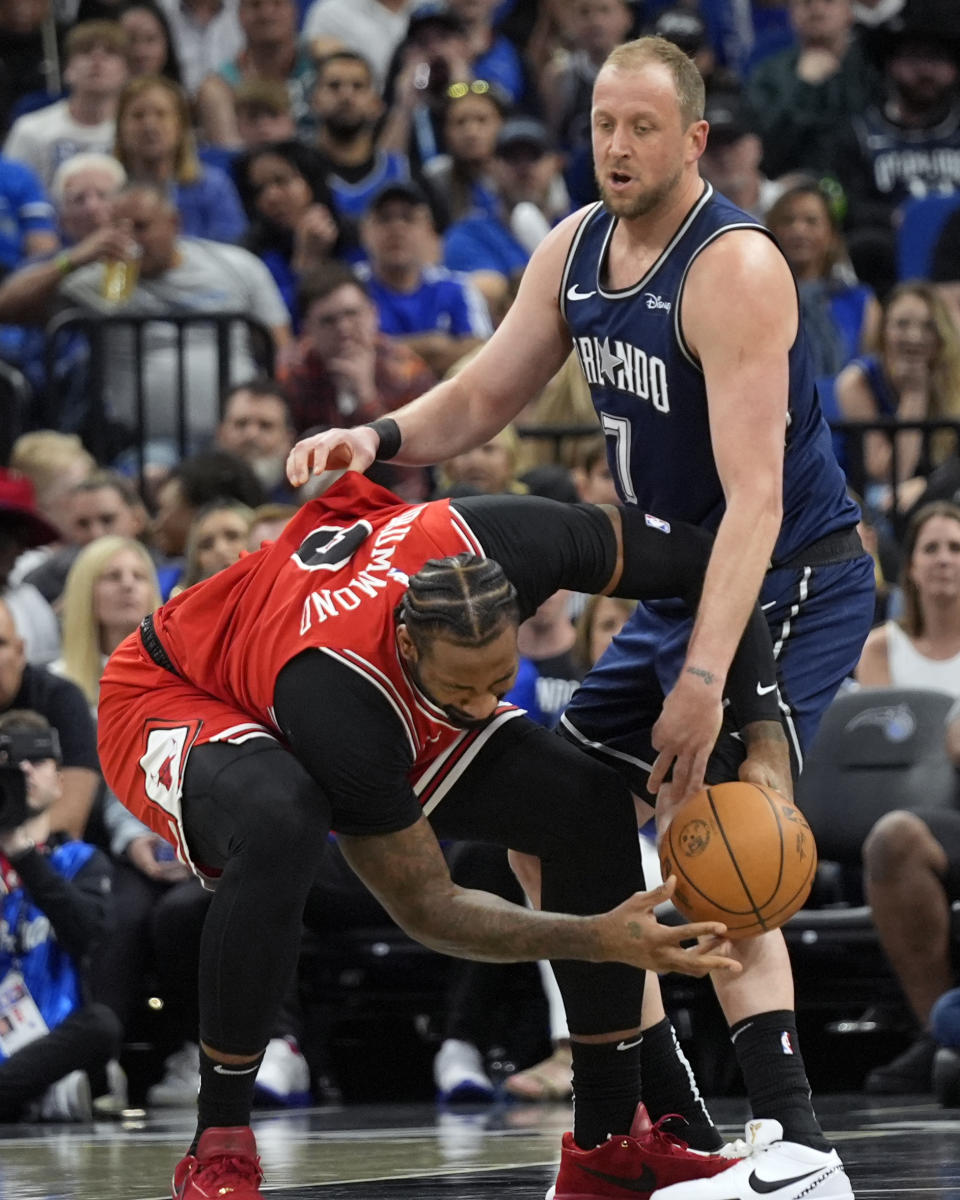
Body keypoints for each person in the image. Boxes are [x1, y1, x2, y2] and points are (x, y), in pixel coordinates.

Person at [286, 34, 876, 1200]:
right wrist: (380, 438)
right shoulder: (572, 248)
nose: (616, 144)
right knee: (553, 816)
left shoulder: (736, 267)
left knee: (731, 831)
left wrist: (707, 683)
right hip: (677, 583)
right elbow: (483, 391)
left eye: (643, 126)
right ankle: (684, 1120)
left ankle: (803, 1147)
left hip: (783, 573)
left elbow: (755, 505)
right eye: (604, 122)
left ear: (695, 138)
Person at [97, 466, 791, 1198]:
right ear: (408, 642)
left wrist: (764, 739)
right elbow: (429, 908)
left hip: (326, 656)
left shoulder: (515, 541)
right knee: (283, 817)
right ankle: (220, 1148)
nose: (484, 704)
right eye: (464, 689)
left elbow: (708, 560)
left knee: (586, 804)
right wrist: (594, 936)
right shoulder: (342, 705)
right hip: (175, 687)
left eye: (499, 680)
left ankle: (608, 1142)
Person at [857, 501, 960, 1095]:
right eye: (931, 549)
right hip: (902, 814)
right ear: (911, 567)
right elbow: (875, 755)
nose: (944, 560)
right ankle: (936, 1033)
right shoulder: (879, 649)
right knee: (892, 837)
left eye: (955, 548)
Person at [0, 709, 120, 1122]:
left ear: (60, 779)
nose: (26, 772)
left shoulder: (81, 860)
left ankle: (28, 1095)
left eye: (37, 761)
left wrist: (22, 855)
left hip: (57, 1029)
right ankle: (42, 1096)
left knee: (102, 1025)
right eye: (13, 765)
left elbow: (87, 936)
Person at [835, 281, 960, 520]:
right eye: (902, 325)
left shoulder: (954, 375)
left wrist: (927, 484)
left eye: (928, 326)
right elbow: (889, 474)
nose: (914, 337)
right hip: (879, 498)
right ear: (884, 332)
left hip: (942, 488)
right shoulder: (858, 382)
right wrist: (914, 393)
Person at [358, 180, 492, 378]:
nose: (396, 228)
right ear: (365, 232)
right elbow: (354, 357)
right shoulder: (352, 289)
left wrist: (391, 350)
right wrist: (433, 346)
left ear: (428, 230)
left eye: (408, 218)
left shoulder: (457, 287)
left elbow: (482, 354)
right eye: (384, 219)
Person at [114, 75, 247, 242]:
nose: (149, 126)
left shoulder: (212, 187)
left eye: (161, 114)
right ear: (120, 128)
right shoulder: (106, 188)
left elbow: (233, 251)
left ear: (181, 126)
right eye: (138, 116)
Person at [2, 21, 130, 191]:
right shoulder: (30, 130)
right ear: (67, 69)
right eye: (85, 51)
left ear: (126, 72)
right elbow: (9, 192)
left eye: (110, 52)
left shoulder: (134, 132)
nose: (97, 59)